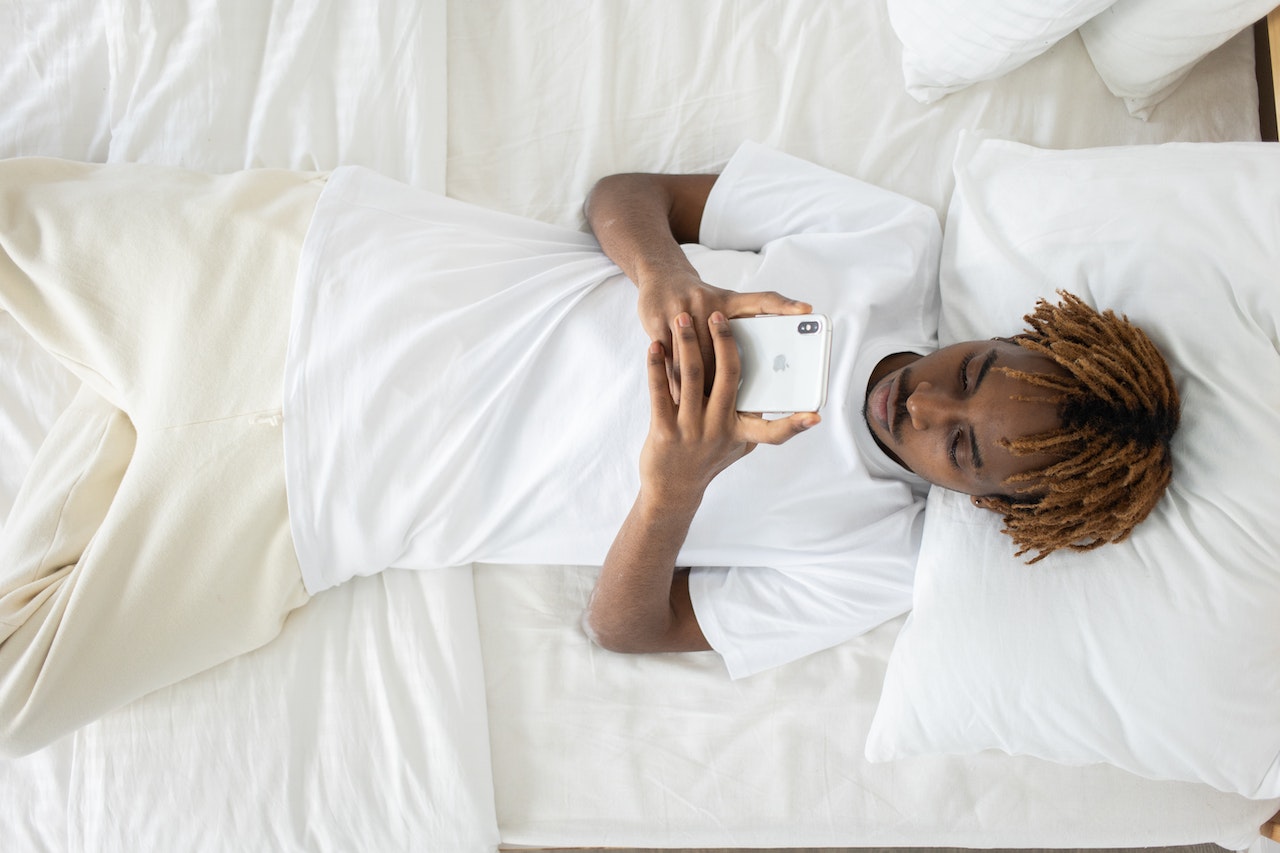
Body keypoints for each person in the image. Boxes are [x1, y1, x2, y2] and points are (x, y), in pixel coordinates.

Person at [0, 143, 1179, 756]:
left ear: (978, 503)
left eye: (962, 450)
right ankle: (124, 401)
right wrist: (667, 272)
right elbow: (626, 192)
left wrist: (672, 489)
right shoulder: (883, 243)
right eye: (966, 371)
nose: (922, 405)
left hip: (313, 505)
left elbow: (628, 630)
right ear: (1001, 330)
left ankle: (119, 415)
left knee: (17, 701)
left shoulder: (872, 558)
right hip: (321, 286)